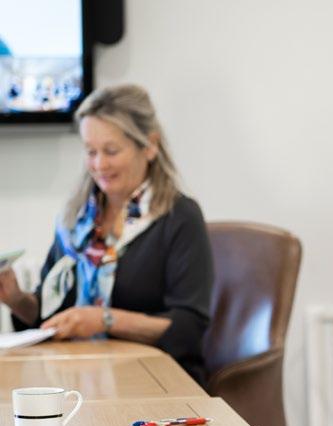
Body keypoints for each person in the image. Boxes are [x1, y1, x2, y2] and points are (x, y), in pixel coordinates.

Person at [0, 85, 213, 384]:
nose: (99, 164)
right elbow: (48, 315)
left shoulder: (179, 218)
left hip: (156, 382)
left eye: (111, 151)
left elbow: (188, 328)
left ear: (149, 146)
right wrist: (16, 299)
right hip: (78, 380)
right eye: (91, 151)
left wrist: (104, 319)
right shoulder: (76, 219)